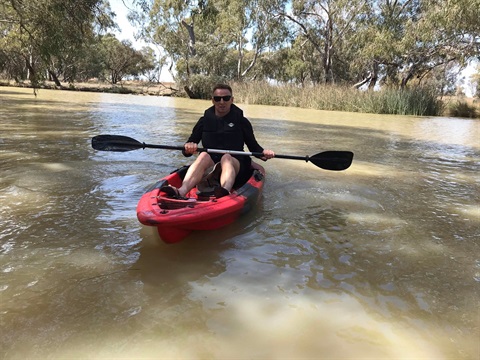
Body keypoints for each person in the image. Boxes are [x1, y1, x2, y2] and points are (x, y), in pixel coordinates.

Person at [161, 83, 275, 199]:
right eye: (217, 98)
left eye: (226, 98)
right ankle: (181, 191)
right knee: (203, 155)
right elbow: (188, 147)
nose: (222, 102)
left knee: (226, 157)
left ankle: (224, 191)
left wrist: (264, 153)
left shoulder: (242, 121)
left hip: (236, 164)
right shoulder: (204, 121)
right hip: (211, 163)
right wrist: (189, 147)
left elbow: (254, 147)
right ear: (212, 100)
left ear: (232, 100)